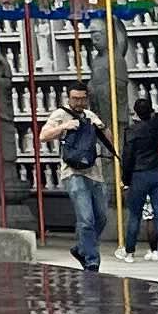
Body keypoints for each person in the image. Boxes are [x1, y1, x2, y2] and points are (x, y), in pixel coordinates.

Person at [50, 82, 109, 274]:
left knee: (101, 217)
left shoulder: (90, 115)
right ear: (68, 98)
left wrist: (102, 128)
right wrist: (64, 126)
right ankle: (92, 261)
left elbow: (108, 140)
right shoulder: (60, 114)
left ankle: (82, 248)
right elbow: (43, 135)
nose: (79, 102)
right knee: (86, 219)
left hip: (95, 172)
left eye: (82, 99)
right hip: (73, 173)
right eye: (75, 98)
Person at [122, 92, 158, 257]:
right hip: (157, 171)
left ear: (135, 113)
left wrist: (125, 179)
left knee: (134, 215)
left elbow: (127, 156)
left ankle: (130, 251)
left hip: (138, 174)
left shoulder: (131, 131)